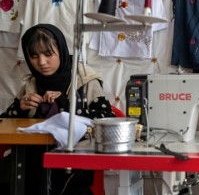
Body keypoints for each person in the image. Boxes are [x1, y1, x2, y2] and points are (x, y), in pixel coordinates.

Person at [1, 23, 116, 195]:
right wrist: (20, 108)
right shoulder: (31, 85)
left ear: (61, 50)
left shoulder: (85, 82)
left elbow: (108, 121)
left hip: (73, 166)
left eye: (48, 54)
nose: (41, 62)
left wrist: (65, 103)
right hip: (31, 164)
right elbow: (4, 122)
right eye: (33, 56)